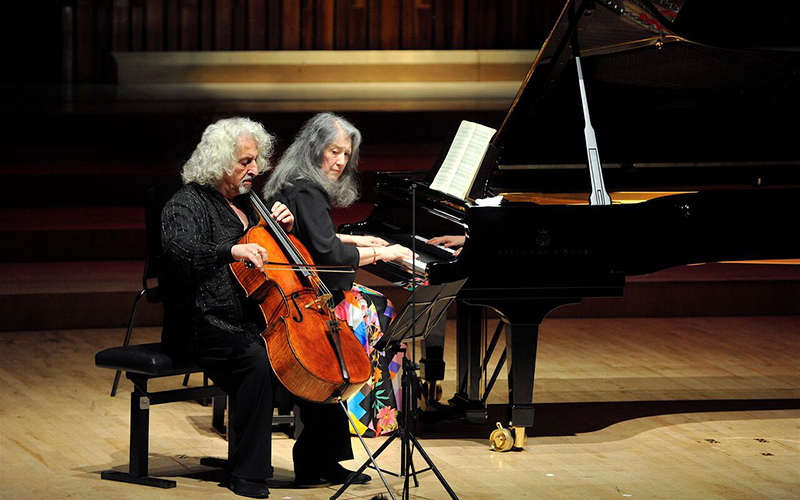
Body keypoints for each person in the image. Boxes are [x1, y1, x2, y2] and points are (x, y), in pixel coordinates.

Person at [160, 117, 367, 499]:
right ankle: (247, 473)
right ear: (220, 162)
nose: (255, 170)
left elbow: (274, 261)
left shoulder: (248, 205)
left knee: (314, 350)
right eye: (244, 162)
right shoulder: (186, 203)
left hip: (252, 317)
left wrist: (278, 227)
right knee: (257, 361)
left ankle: (321, 459)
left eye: (255, 160)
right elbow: (181, 255)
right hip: (205, 323)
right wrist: (230, 249)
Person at [262, 112, 414, 439]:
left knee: (379, 305)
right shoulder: (308, 190)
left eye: (346, 154)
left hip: (306, 286)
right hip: (313, 294)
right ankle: (368, 419)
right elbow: (328, 255)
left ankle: (353, 426)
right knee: (381, 311)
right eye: (334, 151)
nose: (341, 161)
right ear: (315, 149)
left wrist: (358, 240)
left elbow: (311, 236)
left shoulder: (295, 179)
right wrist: (384, 253)